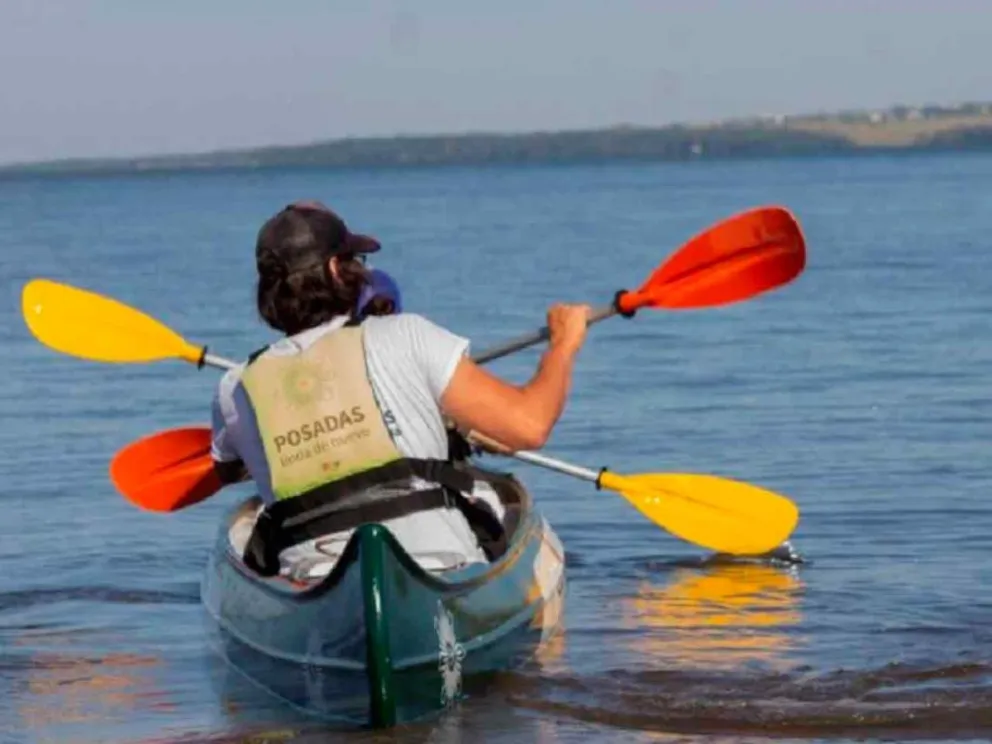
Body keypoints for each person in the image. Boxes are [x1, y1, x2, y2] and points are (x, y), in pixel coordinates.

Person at [210, 200, 590, 577]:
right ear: (335, 269)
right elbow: (530, 425)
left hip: (314, 577)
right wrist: (563, 344)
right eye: (354, 259)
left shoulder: (235, 388)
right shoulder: (407, 334)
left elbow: (230, 471)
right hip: (440, 562)